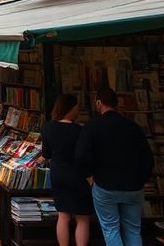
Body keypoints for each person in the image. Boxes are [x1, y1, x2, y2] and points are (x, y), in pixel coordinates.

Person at [75, 87, 153, 246]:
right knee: (133, 230)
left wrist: (90, 178)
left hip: (105, 185)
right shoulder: (133, 127)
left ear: (99, 103)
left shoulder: (92, 127)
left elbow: (80, 156)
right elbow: (148, 159)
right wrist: (141, 180)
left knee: (111, 229)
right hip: (133, 186)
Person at [41, 94, 93, 246]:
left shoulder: (49, 127)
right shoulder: (79, 131)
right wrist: (89, 176)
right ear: (69, 109)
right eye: (75, 108)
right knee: (82, 217)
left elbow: (46, 154)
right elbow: (84, 155)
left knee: (63, 215)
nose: (77, 111)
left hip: (57, 173)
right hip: (77, 174)